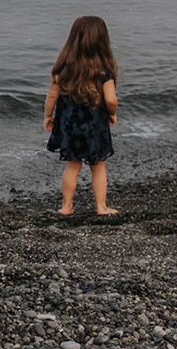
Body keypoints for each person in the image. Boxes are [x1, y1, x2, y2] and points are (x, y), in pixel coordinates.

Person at [43, 15, 120, 216]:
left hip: (70, 123)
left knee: (72, 165)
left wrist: (48, 115)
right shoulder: (103, 71)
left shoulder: (63, 68)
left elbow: (52, 95)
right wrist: (112, 113)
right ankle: (101, 207)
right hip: (94, 124)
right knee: (98, 166)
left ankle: (66, 206)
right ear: (102, 40)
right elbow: (111, 99)